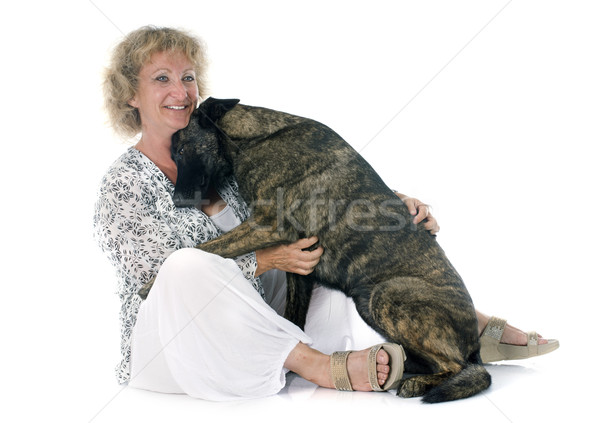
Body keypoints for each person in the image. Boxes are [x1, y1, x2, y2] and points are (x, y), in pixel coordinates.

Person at [94, 26, 558, 401]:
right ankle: (319, 366)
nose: (182, 90)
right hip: (172, 350)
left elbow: (308, 199)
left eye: (188, 77)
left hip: (249, 322)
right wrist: (268, 259)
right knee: (187, 264)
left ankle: (457, 324)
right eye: (162, 79)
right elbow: (151, 283)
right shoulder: (124, 183)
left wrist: (390, 209)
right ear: (130, 96)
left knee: (329, 255)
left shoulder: (222, 158)